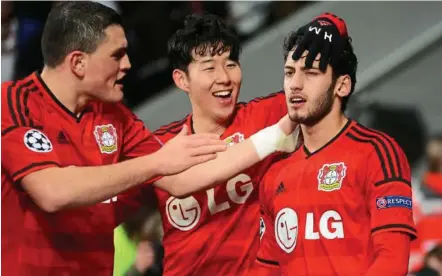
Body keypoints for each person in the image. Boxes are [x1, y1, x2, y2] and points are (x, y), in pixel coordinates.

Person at [1, 2, 298, 275]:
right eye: (116, 55)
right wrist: (155, 163)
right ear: (78, 63)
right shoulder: (13, 104)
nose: (128, 64)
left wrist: (276, 135)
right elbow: (52, 192)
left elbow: (181, 179)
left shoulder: (116, 117)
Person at [254, 13, 417, 276]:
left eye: (310, 72)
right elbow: (266, 269)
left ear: (341, 85)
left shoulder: (376, 153)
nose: (295, 84)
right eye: (289, 72)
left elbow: (392, 260)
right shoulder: (274, 172)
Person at [150, 13, 292, 275]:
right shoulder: (160, 146)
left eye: (231, 63)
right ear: (182, 80)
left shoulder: (269, 115)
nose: (224, 77)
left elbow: (320, 92)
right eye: (209, 67)